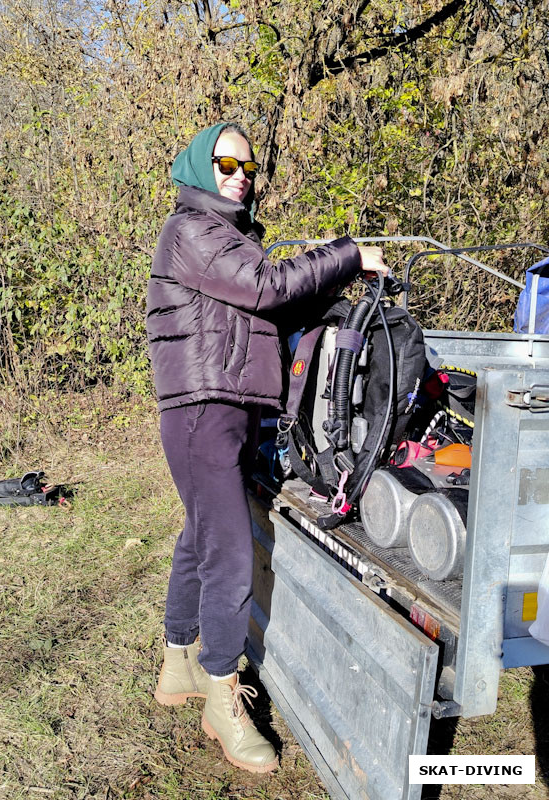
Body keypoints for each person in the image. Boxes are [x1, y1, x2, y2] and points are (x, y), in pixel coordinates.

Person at [146, 121, 388, 774]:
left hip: (221, 409)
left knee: (201, 537)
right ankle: (221, 692)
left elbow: (271, 307)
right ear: (201, 166)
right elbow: (267, 288)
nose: (240, 174)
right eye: (228, 162)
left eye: (249, 167)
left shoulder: (229, 240)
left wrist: (332, 288)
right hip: (204, 409)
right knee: (227, 550)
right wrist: (348, 252)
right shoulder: (191, 229)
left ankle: (179, 665)